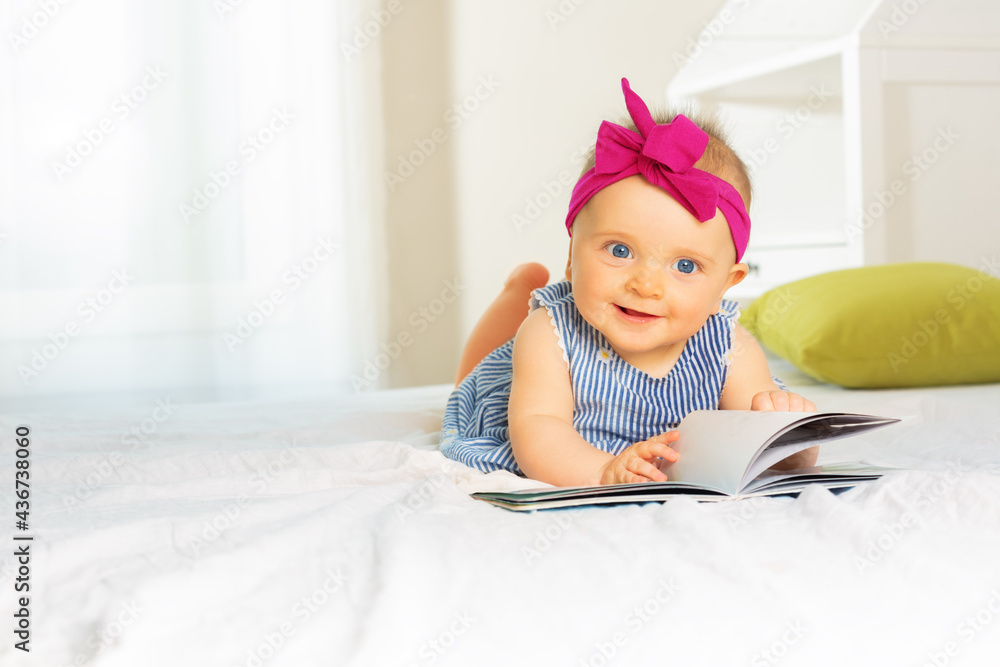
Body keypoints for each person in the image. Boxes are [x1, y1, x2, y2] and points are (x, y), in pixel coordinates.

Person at [441, 78, 817, 487]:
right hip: (514, 401)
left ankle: (526, 284)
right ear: (571, 257)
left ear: (725, 286)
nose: (646, 286)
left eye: (686, 266)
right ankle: (519, 288)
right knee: (478, 374)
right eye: (619, 251)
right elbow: (537, 431)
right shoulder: (550, 335)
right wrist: (603, 471)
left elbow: (759, 444)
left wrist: (793, 437)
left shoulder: (731, 348)